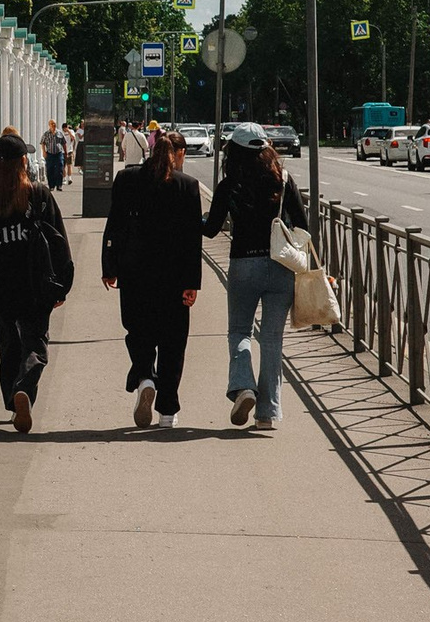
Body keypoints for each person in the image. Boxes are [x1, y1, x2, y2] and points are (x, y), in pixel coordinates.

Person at [204, 121, 309, 428]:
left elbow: (211, 229)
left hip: (243, 265)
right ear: (267, 149)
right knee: (273, 341)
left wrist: (193, 220)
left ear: (232, 151)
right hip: (280, 265)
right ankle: (268, 414)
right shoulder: (283, 179)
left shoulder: (229, 183)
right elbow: (303, 225)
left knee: (239, 332)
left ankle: (244, 387)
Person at [0, 132, 75, 434]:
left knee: (8, 345)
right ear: (21, 163)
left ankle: (14, 401)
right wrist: (62, 283)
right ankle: (25, 388)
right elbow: (58, 240)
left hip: (1, 285)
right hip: (36, 282)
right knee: (36, 344)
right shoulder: (38, 194)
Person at [101, 127, 203, 428]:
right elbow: (192, 241)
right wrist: (192, 284)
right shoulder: (188, 186)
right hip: (174, 277)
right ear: (179, 154)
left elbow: (114, 226)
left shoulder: (127, 179)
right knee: (173, 343)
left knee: (138, 331)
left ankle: (145, 377)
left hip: (134, 273)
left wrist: (109, 267)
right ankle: (168, 411)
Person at [41, 118, 69, 190]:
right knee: (50, 169)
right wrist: (44, 152)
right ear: (49, 125)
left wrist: (66, 153)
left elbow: (64, 143)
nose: (53, 125)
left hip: (58, 153)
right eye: (52, 124)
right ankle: (51, 186)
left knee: (59, 169)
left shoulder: (60, 133)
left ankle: (59, 185)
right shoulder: (46, 134)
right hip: (50, 154)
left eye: (54, 123)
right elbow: (42, 143)